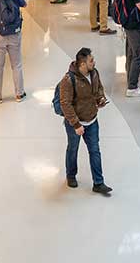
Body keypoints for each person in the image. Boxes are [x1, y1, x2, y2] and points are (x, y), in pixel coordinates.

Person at [58, 47, 112, 195]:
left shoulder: (94, 73)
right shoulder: (68, 80)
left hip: (92, 120)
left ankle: (98, 183)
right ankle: (71, 175)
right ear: (82, 64)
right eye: (91, 60)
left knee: (94, 150)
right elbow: (65, 103)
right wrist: (76, 124)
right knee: (73, 149)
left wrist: (100, 98)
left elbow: (99, 88)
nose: (94, 62)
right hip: (75, 124)